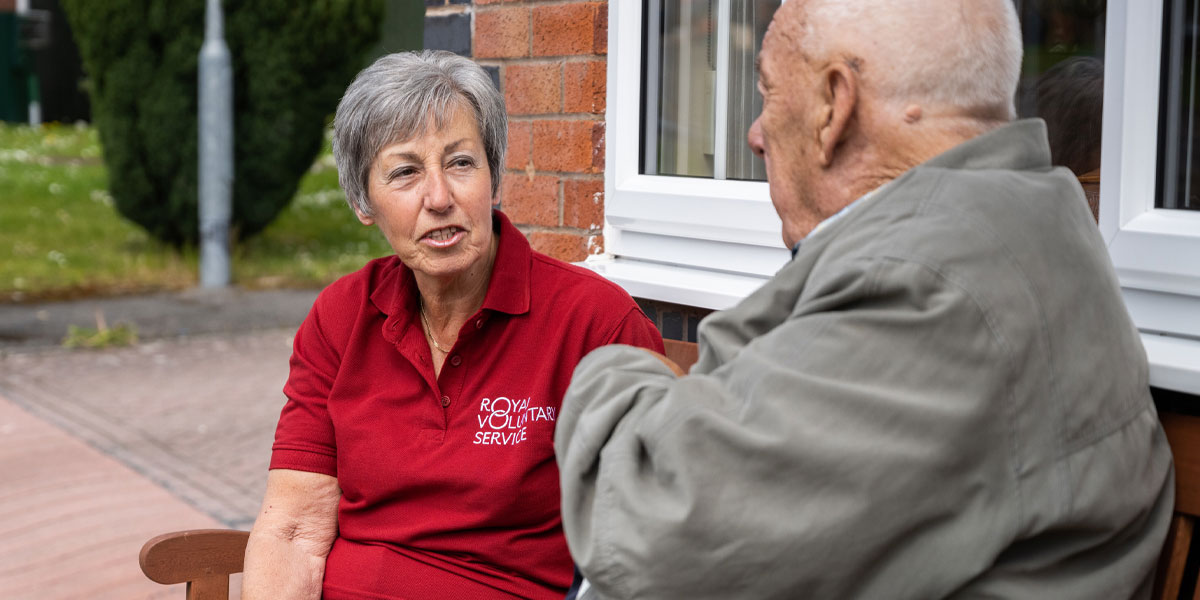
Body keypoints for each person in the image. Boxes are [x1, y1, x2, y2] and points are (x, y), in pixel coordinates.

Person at [555, 1, 1173, 598]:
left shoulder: (932, 292)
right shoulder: (1007, 227)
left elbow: (653, 529)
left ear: (833, 106)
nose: (755, 133)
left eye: (767, 92)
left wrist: (610, 373)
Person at [241, 50, 663, 600]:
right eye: (405, 172)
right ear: (362, 201)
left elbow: (651, 546)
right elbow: (293, 530)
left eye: (461, 163)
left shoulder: (594, 324)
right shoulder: (341, 318)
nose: (439, 198)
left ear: (493, 176)